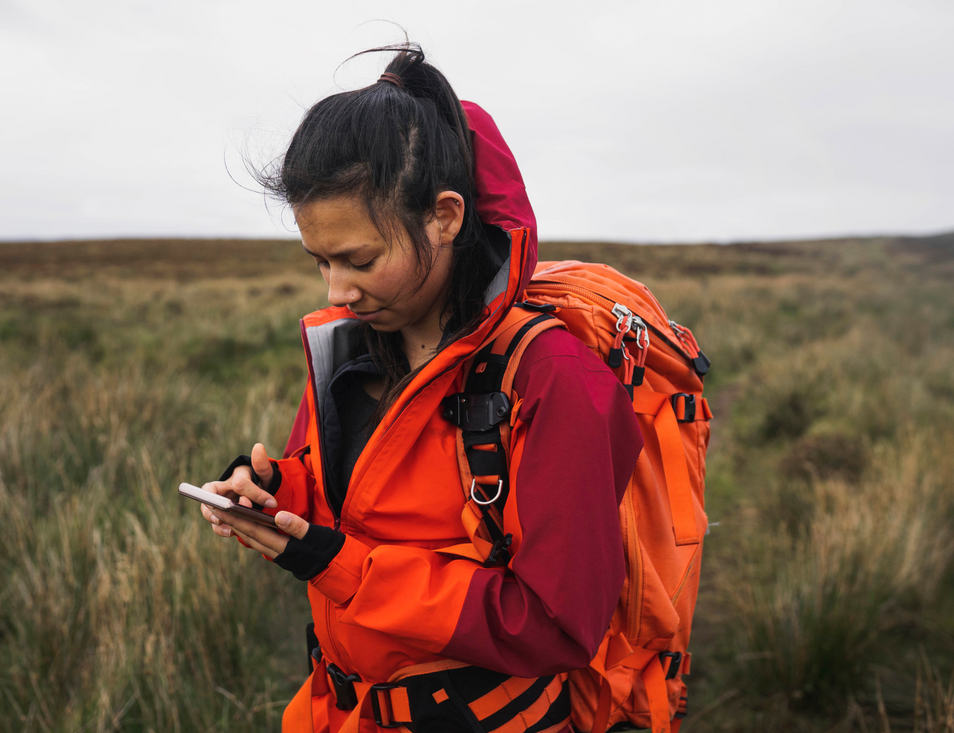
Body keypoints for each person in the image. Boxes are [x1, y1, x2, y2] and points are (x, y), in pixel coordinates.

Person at [198, 45, 643, 733]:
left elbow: (556, 624)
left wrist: (341, 566)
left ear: (445, 215)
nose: (336, 290)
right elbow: (341, 498)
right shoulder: (346, 348)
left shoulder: (555, 380)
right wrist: (270, 492)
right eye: (319, 260)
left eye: (360, 259)